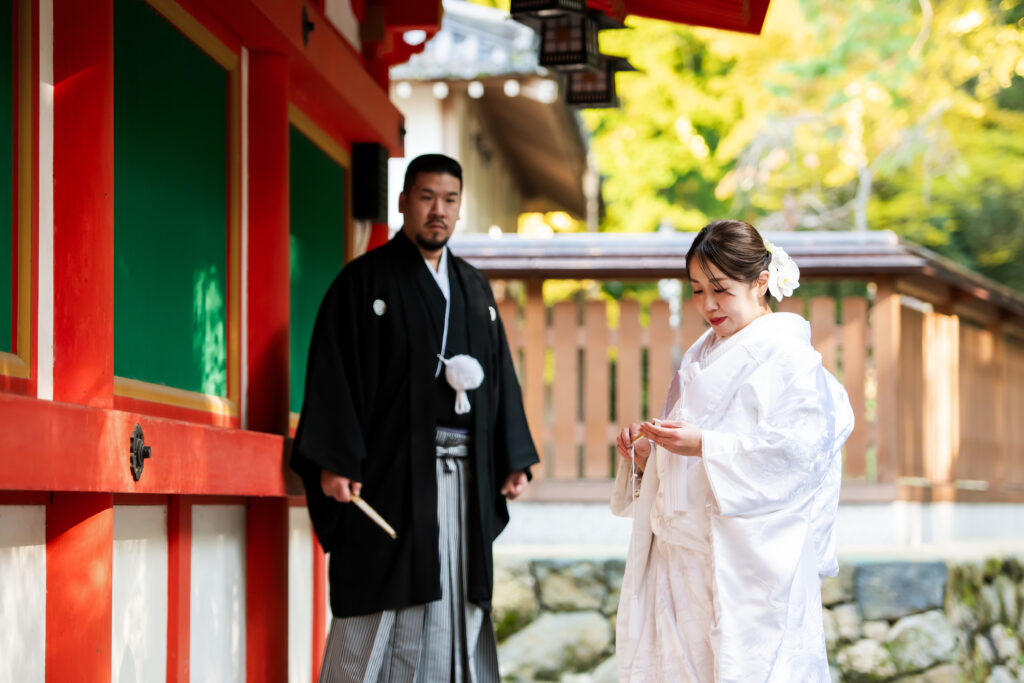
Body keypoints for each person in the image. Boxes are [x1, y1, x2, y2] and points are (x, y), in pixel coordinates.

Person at [291, 153, 539, 683]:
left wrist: (511, 457)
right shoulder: (362, 283)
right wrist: (333, 460)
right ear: (404, 203)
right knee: (382, 591)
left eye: (449, 200)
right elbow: (335, 375)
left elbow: (499, 379)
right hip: (387, 476)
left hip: (464, 479)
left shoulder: (474, 289)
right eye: (426, 198)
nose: (438, 211)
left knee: (456, 590)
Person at [611, 219, 854, 682]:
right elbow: (692, 453)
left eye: (719, 290)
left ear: (761, 282)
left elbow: (799, 456)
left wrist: (705, 445)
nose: (707, 305)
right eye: (697, 290)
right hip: (683, 560)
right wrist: (653, 460)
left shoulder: (790, 359)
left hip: (745, 563)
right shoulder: (702, 354)